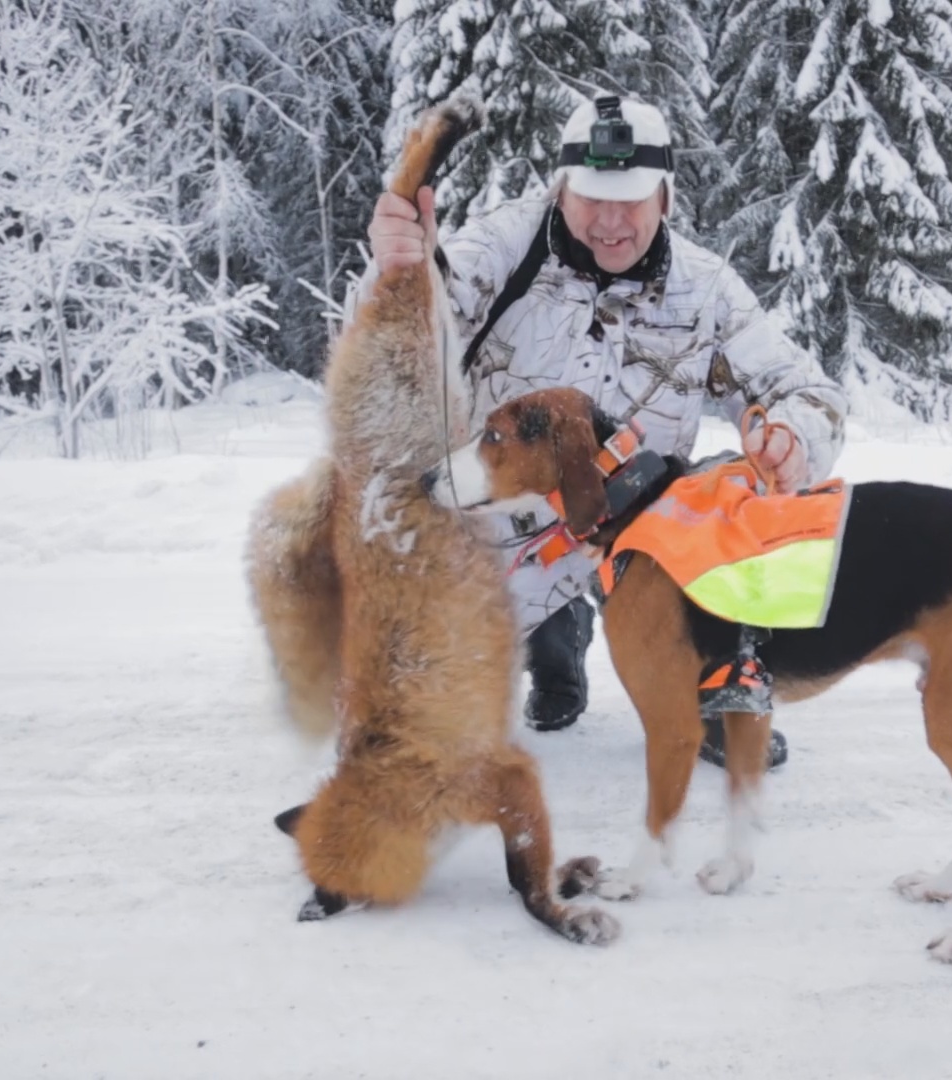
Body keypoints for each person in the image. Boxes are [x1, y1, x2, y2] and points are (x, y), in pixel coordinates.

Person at [359, 94, 847, 769]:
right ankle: (553, 632)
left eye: (632, 200)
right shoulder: (503, 248)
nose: (611, 222)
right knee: (405, 705)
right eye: (592, 198)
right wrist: (397, 275)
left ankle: (709, 686)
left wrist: (791, 438)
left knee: (731, 492)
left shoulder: (706, 290)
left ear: (666, 198)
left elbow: (809, 394)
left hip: (641, 535)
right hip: (512, 530)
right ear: (561, 190)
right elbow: (404, 342)